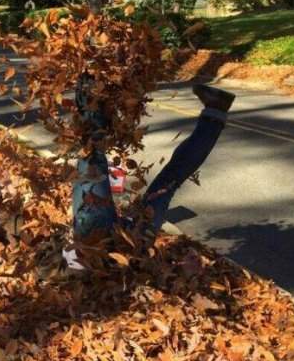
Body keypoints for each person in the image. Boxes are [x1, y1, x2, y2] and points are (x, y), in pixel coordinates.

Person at [68, 81, 236, 262]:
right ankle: (92, 82)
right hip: (99, 238)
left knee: (171, 178)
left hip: (137, 242)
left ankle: (215, 113)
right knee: (91, 149)